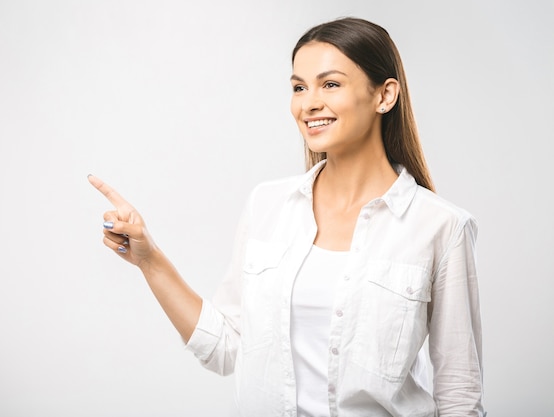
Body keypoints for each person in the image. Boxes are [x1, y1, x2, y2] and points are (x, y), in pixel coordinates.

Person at [88, 16, 485, 417]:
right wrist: (149, 259)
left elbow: (459, 396)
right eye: (299, 87)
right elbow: (226, 348)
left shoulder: (441, 227)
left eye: (330, 84)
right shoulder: (268, 205)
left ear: (385, 95)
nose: (308, 103)